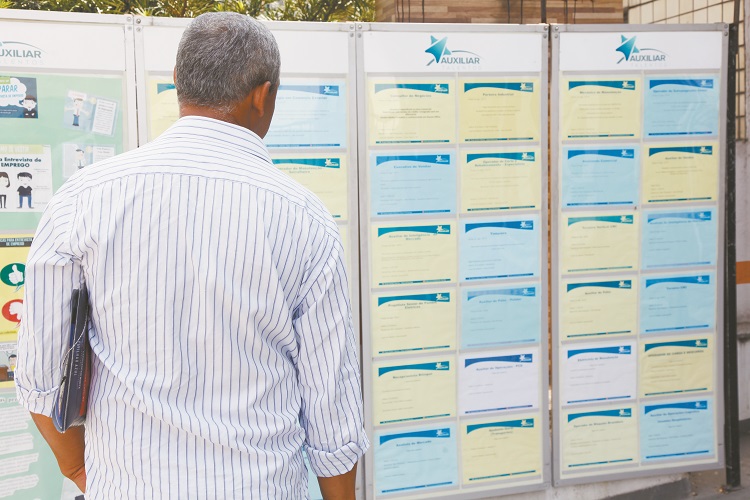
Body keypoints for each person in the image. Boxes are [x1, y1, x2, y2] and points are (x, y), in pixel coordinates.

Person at [15, 12, 368, 499]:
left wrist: (80, 471)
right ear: (263, 95)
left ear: (178, 80)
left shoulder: (83, 199)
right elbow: (332, 413)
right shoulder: (305, 218)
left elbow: (40, 377)